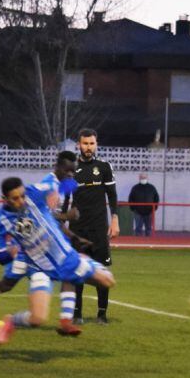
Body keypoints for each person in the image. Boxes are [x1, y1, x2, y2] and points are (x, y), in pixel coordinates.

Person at [0, 167, 117, 344]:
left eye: (22, 196)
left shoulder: (34, 193)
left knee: (108, 281)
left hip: (65, 258)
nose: (21, 201)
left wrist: (62, 189)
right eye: (15, 199)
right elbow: (1, 256)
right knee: (37, 319)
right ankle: (11, 321)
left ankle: (66, 317)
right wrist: (10, 252)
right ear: (5, 200)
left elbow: (57, 179)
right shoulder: (0, 221)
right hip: (40, 268)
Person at [65, 128, 119, 324]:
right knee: (77, 269)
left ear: (96, 145)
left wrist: (114, 219)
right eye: (85, 143)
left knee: (102, 270)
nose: (88, 147)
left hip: (98, 227)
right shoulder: (70, 168)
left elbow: (112, 195)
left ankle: (102, 314)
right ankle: (77, 314)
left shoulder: (104, 167)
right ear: (79, 145)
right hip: (78, 228)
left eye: (92, 143)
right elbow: (65, 199)